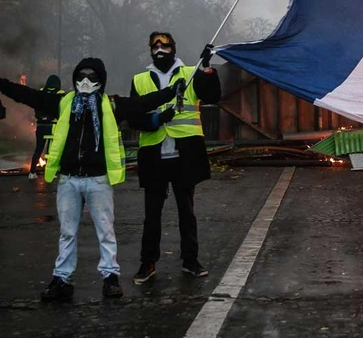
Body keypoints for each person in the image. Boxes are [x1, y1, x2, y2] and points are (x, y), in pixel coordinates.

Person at [0, 58, 182, 301]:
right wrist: (2, 84)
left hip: (98, 180)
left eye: (92, 77)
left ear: (101, 80)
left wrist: (171, 91)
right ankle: (61, 278)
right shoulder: (64, 102)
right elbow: (28, 95)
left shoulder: (112, 105)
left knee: (105, 231)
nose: (85, 82)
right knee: (67, 232)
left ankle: (110, 277)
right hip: (69, 179)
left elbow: (142, 103)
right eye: (81, 76)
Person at [129, 32, 221, 285]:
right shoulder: (139, 80)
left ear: (173, 47)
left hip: (184, 153)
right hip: (154, 153)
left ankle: (190, 260)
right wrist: (157, 119)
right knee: (152, 214)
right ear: (150, 50)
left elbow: (212, 96)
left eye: (164, 44)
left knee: (186, 211)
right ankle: (148, 263)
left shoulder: (190, 73)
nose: (159, 49)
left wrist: (206, 68)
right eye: (155, 45)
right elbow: (134, 117)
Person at [28, 74, 64, 180]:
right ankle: (49, 172)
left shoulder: (40, 93)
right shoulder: (60, 94)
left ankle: (32, 172)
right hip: (52, 126)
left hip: (40, 126)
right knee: (50, 150)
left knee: (38, 149)